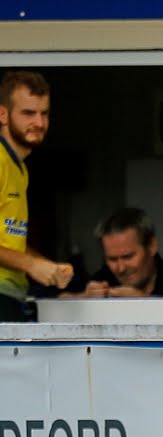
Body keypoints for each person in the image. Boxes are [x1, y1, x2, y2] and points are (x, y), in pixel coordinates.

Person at [0, 70, 72, 319]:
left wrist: (47, 267)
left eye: (44, 113)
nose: (39, 123)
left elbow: (10, 241)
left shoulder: (18, 168)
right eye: (28, 113)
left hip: (11, 297)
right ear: (3, 114)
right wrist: (32, 265)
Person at [64, 208, 163, 298]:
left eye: (128, 256)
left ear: (152, 246)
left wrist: (142, 302)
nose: (121, 268)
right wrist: (84, 299)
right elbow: (55, 303)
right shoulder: (102, 279)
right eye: (112, 259)